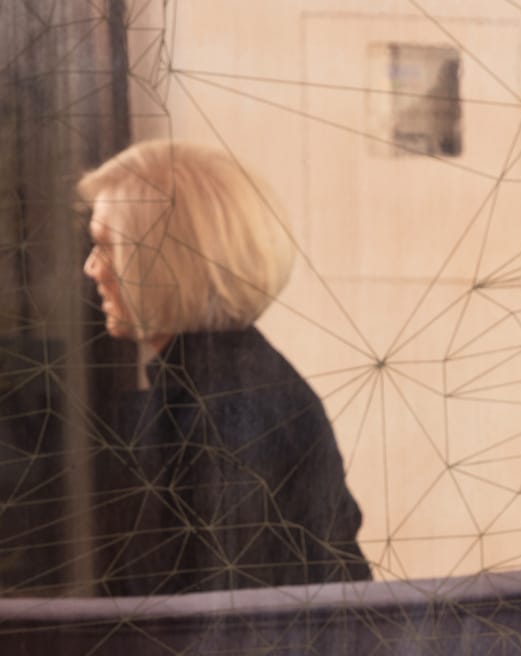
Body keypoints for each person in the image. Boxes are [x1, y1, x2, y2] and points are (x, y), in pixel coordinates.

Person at [79, 139, 370, 594]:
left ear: (165, 258)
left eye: (107, 245)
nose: (91, 267)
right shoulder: (235, 378)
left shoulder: (218, 409)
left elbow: (218, 628)